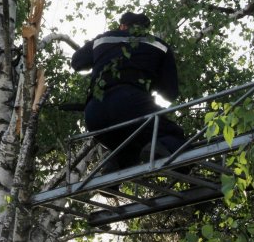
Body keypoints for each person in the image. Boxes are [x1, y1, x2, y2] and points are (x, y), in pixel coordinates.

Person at [71, 12, 186, 170]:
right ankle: (161, 151)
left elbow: (77, 63)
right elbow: (170, 93)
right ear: (145, 30)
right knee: (174, 136)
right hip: (131, 104)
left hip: (94, 114)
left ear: (122, 26)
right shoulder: (160, 46)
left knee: (129, 148)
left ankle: (113, 169)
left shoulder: (101, 40)